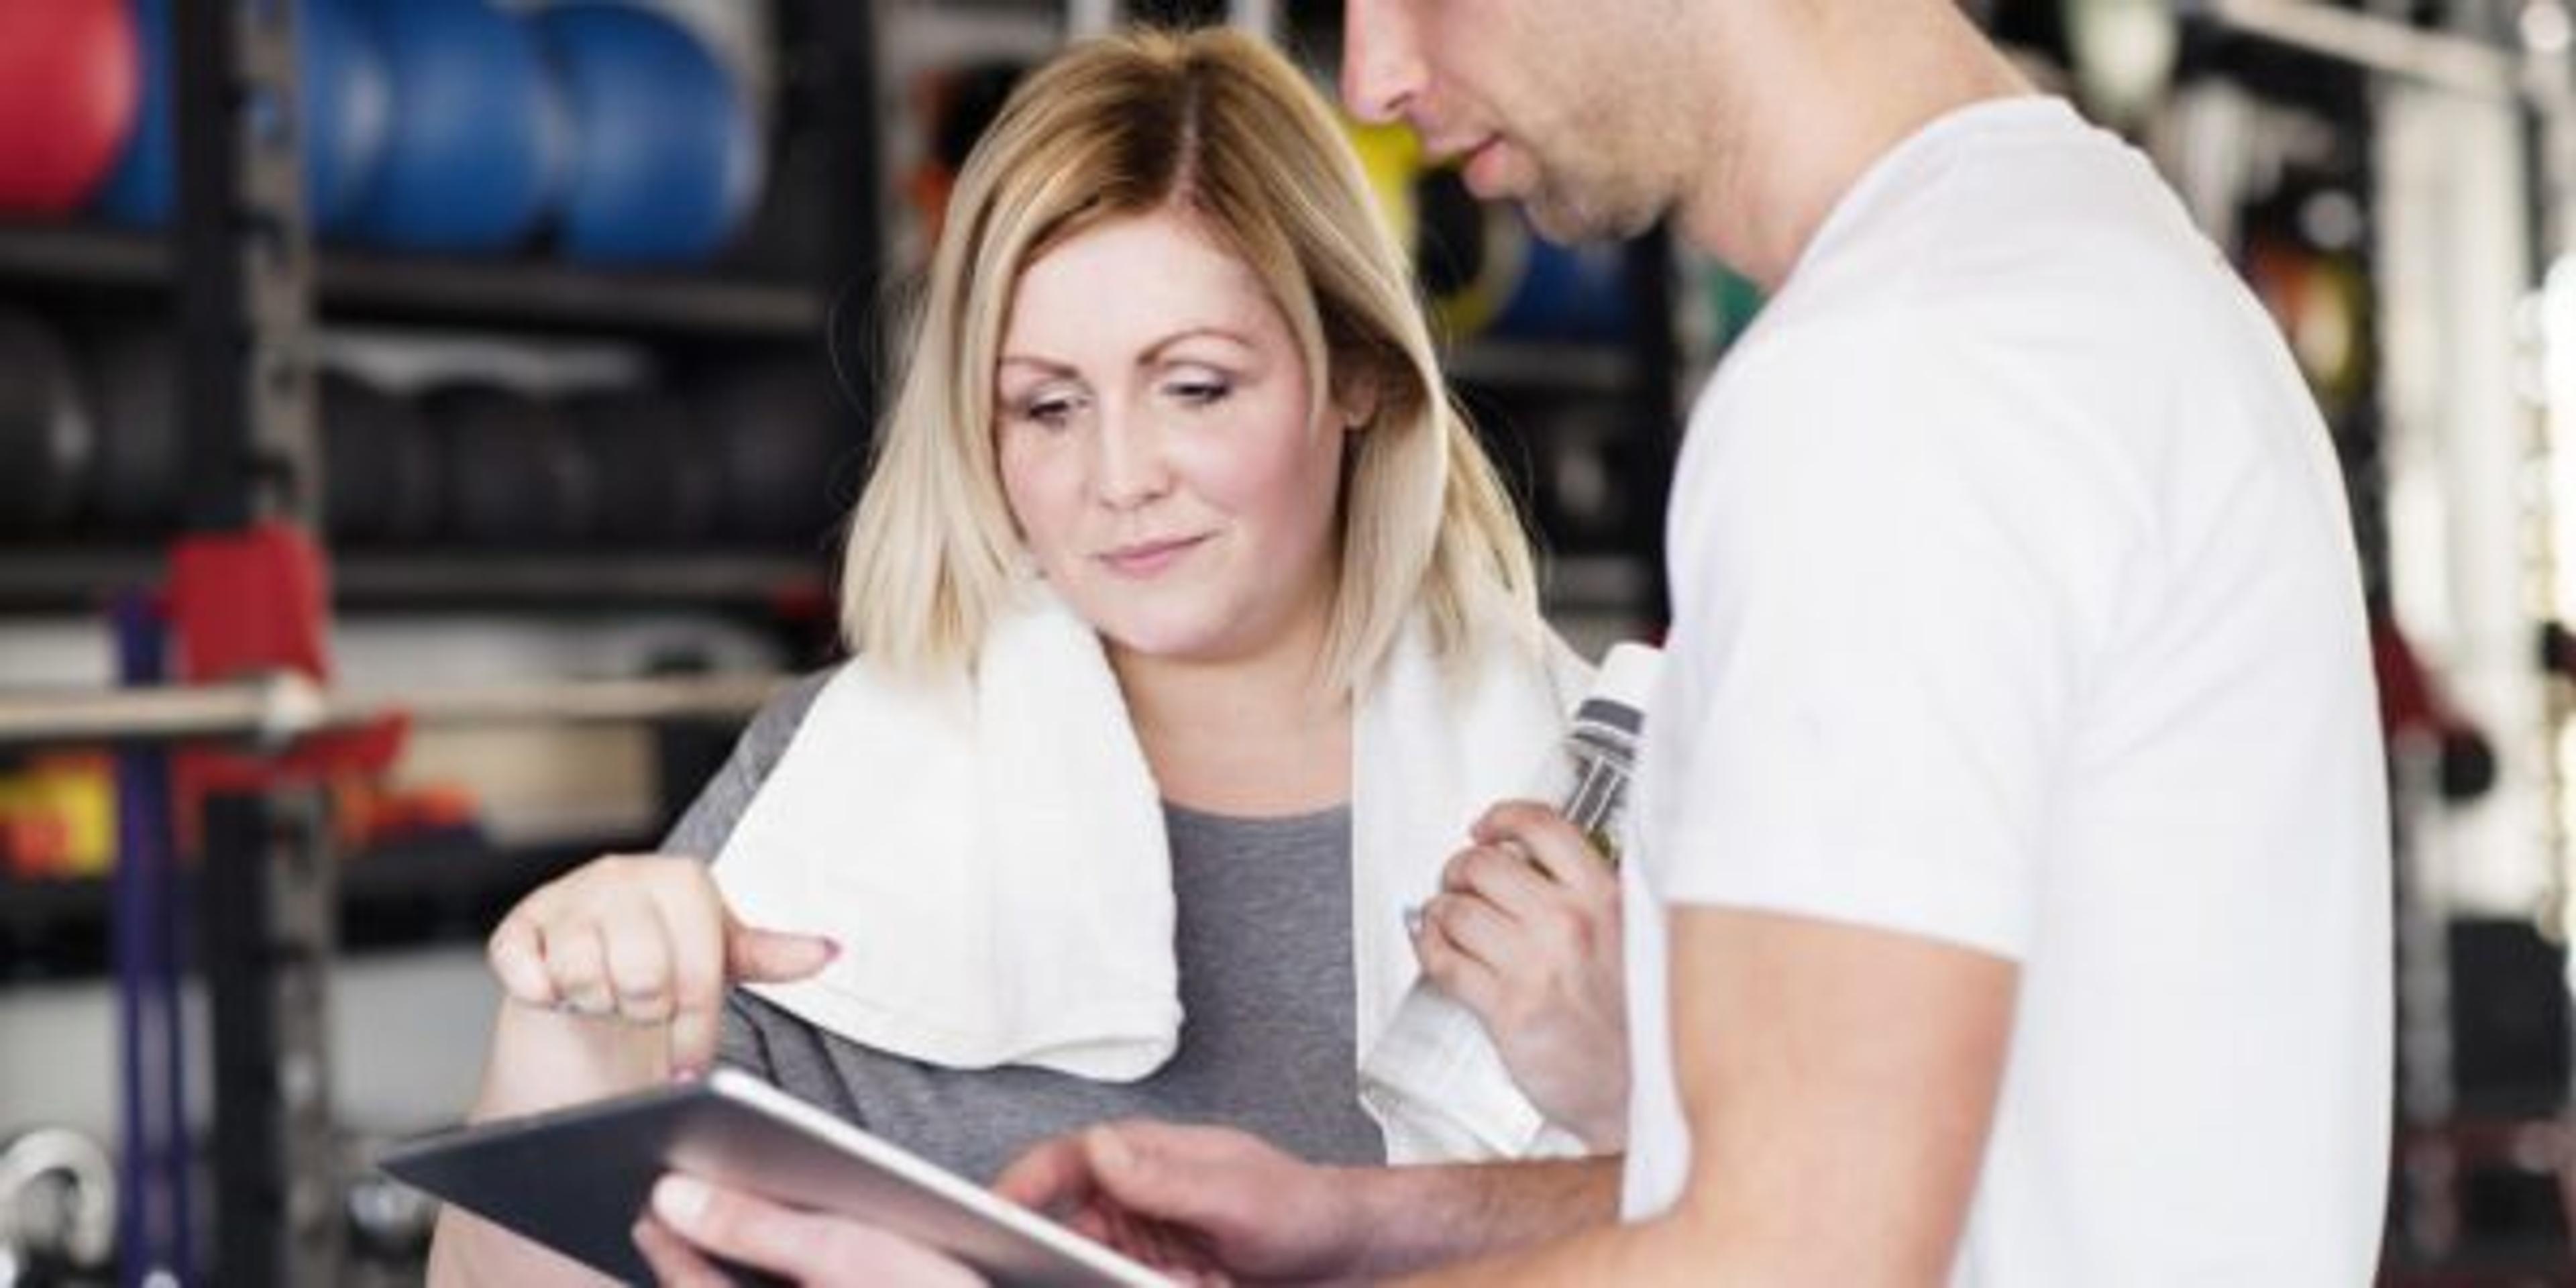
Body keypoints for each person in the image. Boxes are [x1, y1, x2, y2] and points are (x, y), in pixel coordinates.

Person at [956, 2, 2391, 1285]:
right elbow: (1875, 1188)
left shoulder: (1895, 378)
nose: (1382, 75)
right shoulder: (2095, 273)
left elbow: (1800, 1259)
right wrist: (1362, 1221)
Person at [425, 25, 1645, 1288]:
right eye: (1049, 407)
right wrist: (566, 1036)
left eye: (1197, 387)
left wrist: (1636, 1102)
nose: (1119, 480)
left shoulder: (1602, 822)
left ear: (1357, 376)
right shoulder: (835, 773)